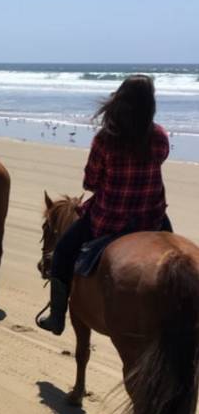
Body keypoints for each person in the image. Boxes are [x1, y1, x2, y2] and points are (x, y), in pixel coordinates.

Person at [37, 75, 172, 336]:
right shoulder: (159, 135)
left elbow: (90, 182)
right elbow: (161, 158)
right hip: (151, 217)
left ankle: (56, 317)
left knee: (63, 252)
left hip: (109, 219)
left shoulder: (105, 138)